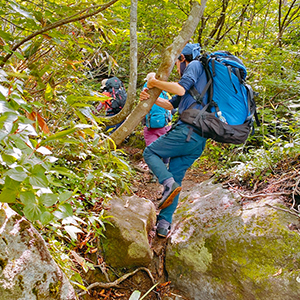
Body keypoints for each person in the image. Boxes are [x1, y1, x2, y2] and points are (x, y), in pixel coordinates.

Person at [139, 43, 208, 238]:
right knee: (177, 179)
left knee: (150, 152)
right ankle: (163, 224)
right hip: (198, 139)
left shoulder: (195, 66)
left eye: (177, 63)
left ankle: (166, 182)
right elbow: (170, 104)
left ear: (183, 58)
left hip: (186, 131)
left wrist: (153, 82)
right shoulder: (200, 82)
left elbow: (177, 90)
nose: (177, 68)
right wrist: (149, 98)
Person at [142, 73, 173, 182]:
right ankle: (165, 169)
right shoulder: (165, 92)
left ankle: (156, 174)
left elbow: (141, 110)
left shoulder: (144, 92)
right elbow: (171, 109)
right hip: (165, 127)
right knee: (166, 150)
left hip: (150, 128)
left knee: (151, 151)